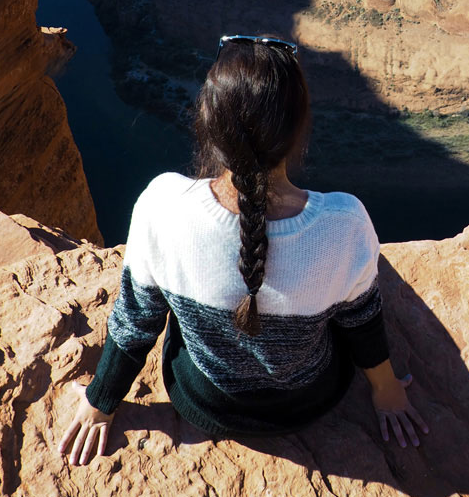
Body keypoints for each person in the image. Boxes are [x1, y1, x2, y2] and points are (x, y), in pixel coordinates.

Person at [57, 34, 428, 465]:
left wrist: (101, 401)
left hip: (205, 402)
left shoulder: (161, 206)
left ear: (208, 123)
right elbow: (359, 321)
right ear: (298, 128)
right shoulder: (344, 224)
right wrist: (386, 392)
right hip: (308, 401)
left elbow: (137, 322)